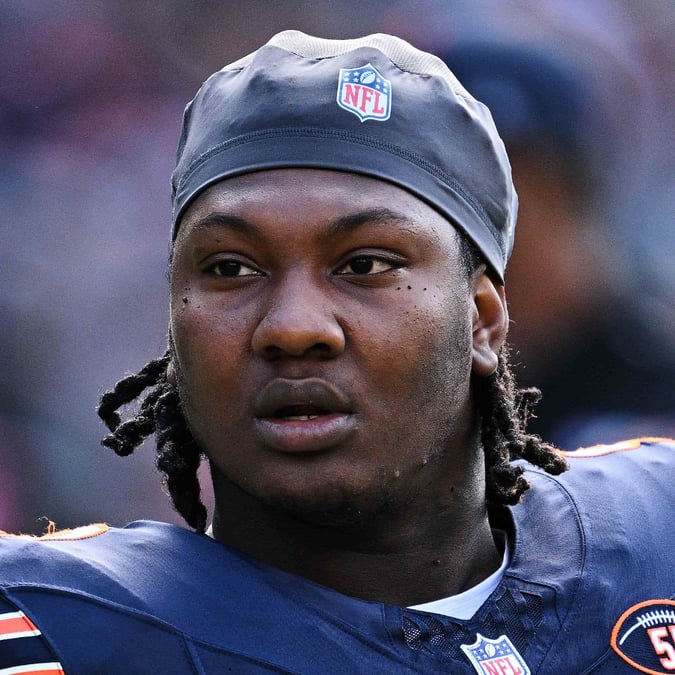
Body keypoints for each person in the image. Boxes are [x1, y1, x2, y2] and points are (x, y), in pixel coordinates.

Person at [0, 31, 672, 675]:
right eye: (231, 268)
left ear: (482, 320)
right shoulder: (58, 627)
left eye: (365, 264)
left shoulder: (655, 529)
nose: (293, 328)